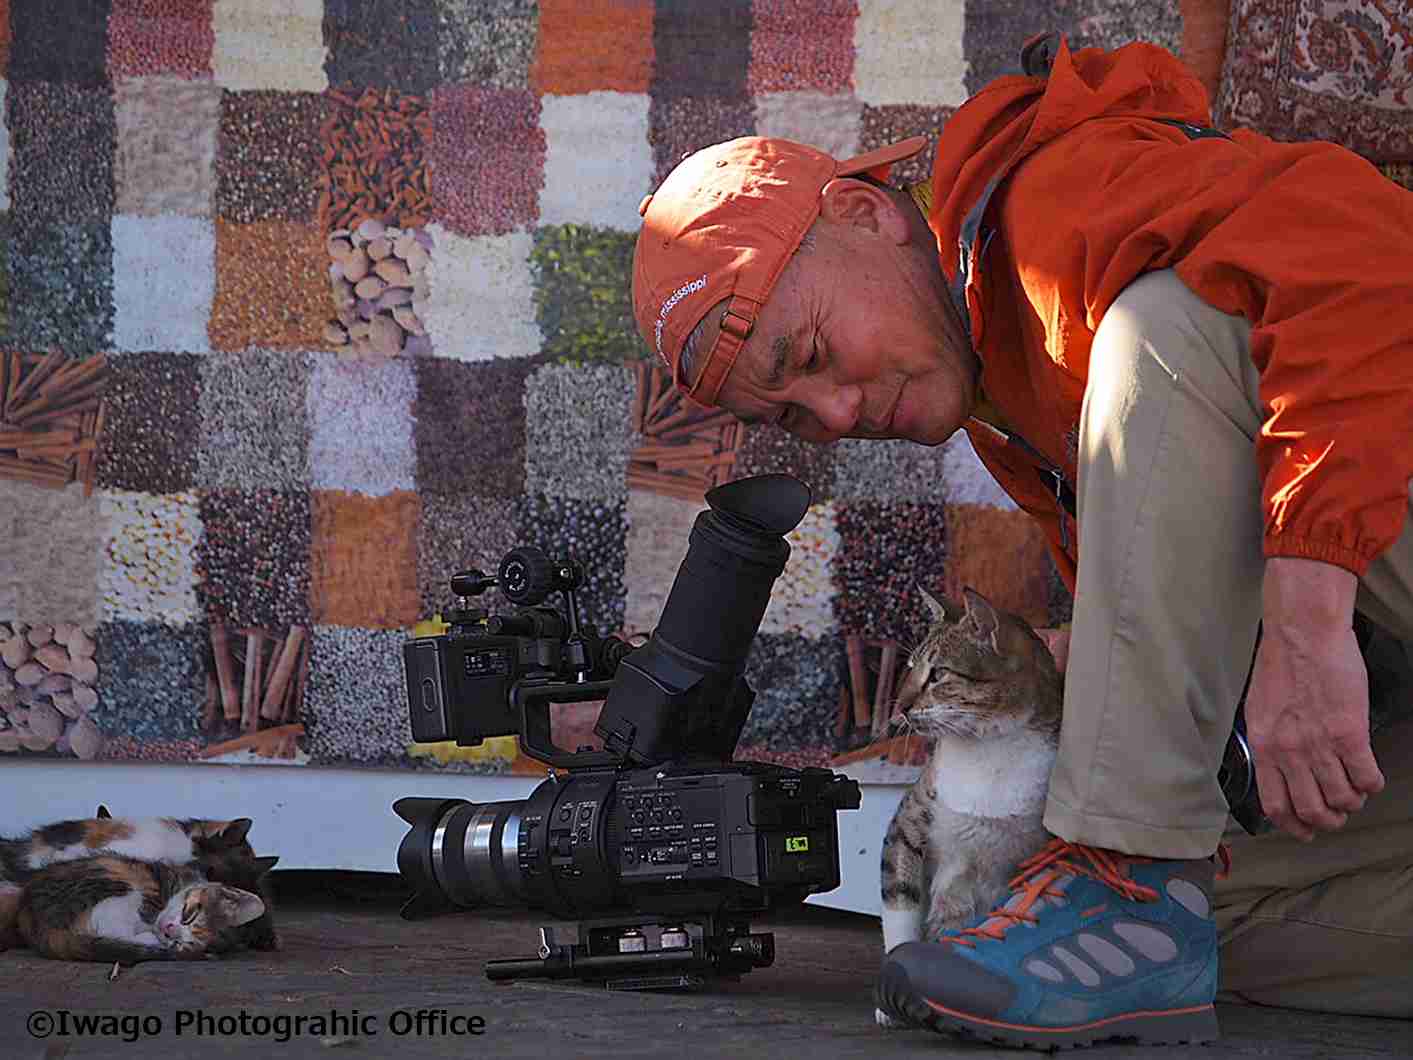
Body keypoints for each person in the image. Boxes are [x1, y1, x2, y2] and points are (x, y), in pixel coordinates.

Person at [630, 31, 1413, 1048]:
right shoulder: (999, 387)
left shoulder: (1050, 203)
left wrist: (1305, 619)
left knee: (1165, 329)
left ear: (865, 214)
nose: (838, 408)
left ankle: (1124, 867)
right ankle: (1135, 887)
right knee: (1200, 903)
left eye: (815, 352)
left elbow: (1365, 252)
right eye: (796, 417)